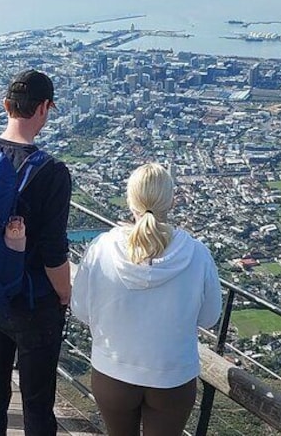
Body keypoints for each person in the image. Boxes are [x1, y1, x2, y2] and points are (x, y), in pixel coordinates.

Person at [71, 163, 222, 436]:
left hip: (113, 371)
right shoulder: (197, 255)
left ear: (130, 201)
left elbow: (81, 309)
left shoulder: (102, 247)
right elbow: (210, 318)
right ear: (172, 201)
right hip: (172, 376)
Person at [0, 69, 73, 436]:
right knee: (36, 403)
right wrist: (64, 293)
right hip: (34, 305)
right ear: (45, 109)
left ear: (6, 106)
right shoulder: (52, 172)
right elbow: (53, 251)